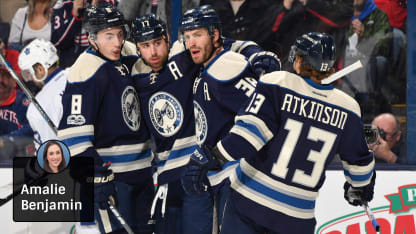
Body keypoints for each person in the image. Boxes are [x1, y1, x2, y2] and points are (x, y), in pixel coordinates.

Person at [206, 32, 375, 234]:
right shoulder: (348, 108)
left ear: (300, 60)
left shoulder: (278, 82)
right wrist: (360, 187)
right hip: (297, 220)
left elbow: (248, 136)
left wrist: (213, 157)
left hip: (250, 204)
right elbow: (359, 165)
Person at [179, 5, 278, 233]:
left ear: (214, 35)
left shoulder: (225, 66)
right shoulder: (210, 64)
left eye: (198, 35)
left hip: (238, 177)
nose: (191, 42)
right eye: (187, 36)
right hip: (221, 177)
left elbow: (264, 113)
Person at [57, 2, 154, 233]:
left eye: (120, 34)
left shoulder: (128, 52)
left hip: (143, 173)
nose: (117, 42)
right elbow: (73, 137)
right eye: (109, 36)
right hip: (114, 179)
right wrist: (96, 175)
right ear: (91, 38)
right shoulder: (85, 69)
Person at [337, 0, 393, 123]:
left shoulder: (379, 15)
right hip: (344, 63)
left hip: (368, 62)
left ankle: (371, 109)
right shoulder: (341, 15)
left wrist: (364, 37)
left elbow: (383, 47)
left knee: (380, 62)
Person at [18, 38, 68, 149]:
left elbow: (48, 152)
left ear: (40, 69)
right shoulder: (78, 74)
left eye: (28, 73)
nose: (30, 79)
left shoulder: (37, 106)